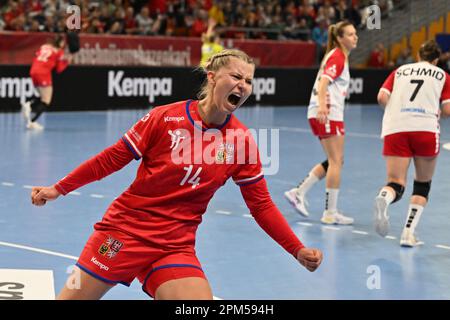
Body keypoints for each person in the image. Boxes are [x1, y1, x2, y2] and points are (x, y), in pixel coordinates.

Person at [30, 49, 323, 300]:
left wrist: (296, 249)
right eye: (236, 77)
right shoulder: (164, 118)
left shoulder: (242, 142)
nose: (243, 85)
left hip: (174, 246)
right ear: (212, 77)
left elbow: (261, 206)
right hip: (125, 232)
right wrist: (59, 188)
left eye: (248, 81)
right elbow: (112, 159)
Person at [373, 40, 450, 246]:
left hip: (396, 128)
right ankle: (408, 234)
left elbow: (381, 97)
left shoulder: (400, 71)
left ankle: (384, 196)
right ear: (436, 60)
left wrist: (397, 111)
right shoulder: (443, 75)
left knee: (396, 183)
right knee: (422, 185)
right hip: (424, 129)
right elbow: (447, 110)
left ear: (418, 56)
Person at [285, 21, 358, 225]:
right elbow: (324, 82)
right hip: (328, 112)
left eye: (355, 34)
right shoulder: (337, 55)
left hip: (332, 113)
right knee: (335, 162)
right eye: (351, 34)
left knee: (336, 160)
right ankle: (330, 213)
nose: (355, 37)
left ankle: (298, 192)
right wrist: (322, 107)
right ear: (339, 38)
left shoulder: (340, 56)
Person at [21, 34, 73, 130]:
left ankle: (29, 106)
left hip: (33, 70)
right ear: (60, 43)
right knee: (46, 100)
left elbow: (38, 55)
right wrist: (66, 62)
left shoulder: (44, 46)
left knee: (42, 96)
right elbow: (59, 70)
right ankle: (31, 116)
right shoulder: (59, 52)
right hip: (43, 73)